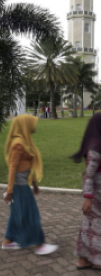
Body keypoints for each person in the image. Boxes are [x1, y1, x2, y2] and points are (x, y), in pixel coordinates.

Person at [2, 114, 58, 255]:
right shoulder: (18, 144)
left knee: (16, 214)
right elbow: (13, 168)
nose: (34, 127)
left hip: (23, 185)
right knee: (31, 214)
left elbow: (27, 164)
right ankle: (39, 245)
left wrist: (34, 182)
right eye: (32, 124)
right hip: (19, 187)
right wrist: (10, 191)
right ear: (25, 125)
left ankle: (7, 242)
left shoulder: (24, 141)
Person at [71, 113, 101, 270]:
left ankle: (83, 260)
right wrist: (88, 197)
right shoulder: (95, 148)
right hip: (96, 195)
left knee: (89, 226)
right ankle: (95, 261)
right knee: (95, 228)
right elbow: (88, 175)